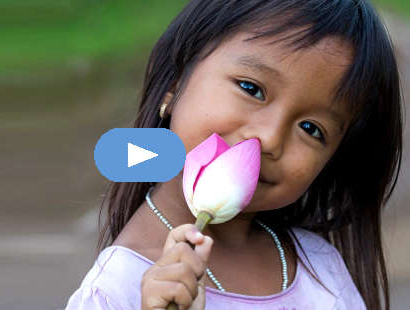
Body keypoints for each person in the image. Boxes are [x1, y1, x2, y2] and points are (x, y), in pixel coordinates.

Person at [66, 0, 403, 309]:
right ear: (174, 83)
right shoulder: (117, 290)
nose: (270, 139)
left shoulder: (321, 269)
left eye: (311, 129)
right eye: (251, 89)